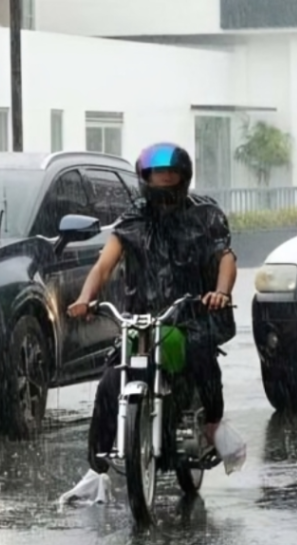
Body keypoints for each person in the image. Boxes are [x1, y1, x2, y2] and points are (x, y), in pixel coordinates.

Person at [59, 142, 238, 505]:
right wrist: (84, 298)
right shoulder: (133, 219)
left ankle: (212, 426)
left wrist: (219, 292)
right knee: (110, 381)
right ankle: (97, 470)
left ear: (183, 178)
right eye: (157, 176)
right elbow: (104, 265)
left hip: (188, 315)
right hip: (142, 320)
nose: (164, 182)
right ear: (145, 180)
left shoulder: (205, 215)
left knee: (202, 360)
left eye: (171, 175)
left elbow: (226, 258)